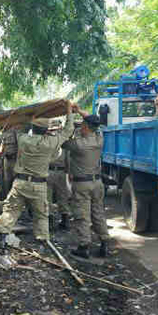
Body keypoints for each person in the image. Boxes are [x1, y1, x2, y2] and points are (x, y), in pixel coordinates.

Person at [0, 103, 74, 249]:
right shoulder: (51, 142)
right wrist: (69, 111)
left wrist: (31, 118)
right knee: (41, 214)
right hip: (39, 185)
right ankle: (42, 241)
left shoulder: (23, 139)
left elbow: (21, 128)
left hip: (20, 183)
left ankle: (1, 238)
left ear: (33, 128)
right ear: (46, 130)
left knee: (11, 209)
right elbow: (68, 130)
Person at [62, 106, 110, 259]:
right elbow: (95, 122)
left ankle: (84, 247)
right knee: (98, 213)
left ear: (86, 127)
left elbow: (63, 139)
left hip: (82, 185)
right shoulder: (99, 139)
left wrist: (70, 114)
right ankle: (104, 243)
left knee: (82, 215)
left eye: (82, 125)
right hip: (97, 183)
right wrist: (80, 111)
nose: (80, 127)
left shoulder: (78, 145)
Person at [0, 125, 19, 199]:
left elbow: (21, 147)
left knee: (15, 183)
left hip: (15, 161)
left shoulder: (16, 129)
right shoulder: (1, 130)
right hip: (5, 160)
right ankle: (6, 200)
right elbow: (1, 148)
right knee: (6, 183)